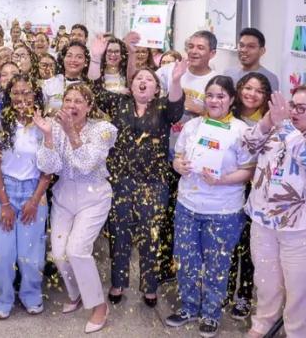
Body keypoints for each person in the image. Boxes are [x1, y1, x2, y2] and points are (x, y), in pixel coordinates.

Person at [242, 84, 306, 338]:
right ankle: (262, 325)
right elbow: (247, 145)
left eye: (301, 108)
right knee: (266, 282)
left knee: (301, 291)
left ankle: (298, 334)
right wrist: (268, 121)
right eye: (292, 106)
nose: (293, 112)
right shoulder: (279, 129)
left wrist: (285, 126)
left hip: (305, 226)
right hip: (264, 220)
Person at [166, 76, 255, 337]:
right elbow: (178, 156)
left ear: (231, 99)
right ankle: (189, 307)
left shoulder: (241, 131)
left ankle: (211, 314)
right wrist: (178, 165)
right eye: (210, 95)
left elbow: (249, 170)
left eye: (221, 96)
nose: (214, 100)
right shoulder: (192, 126)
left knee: (217, 265)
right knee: (186, 261)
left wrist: (222, 180)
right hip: (188, 205)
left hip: (223, 211)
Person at [95, 56, 186, 308]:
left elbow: (177, 108)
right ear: (131, 85)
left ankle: (150, 285)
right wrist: (96, 58)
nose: (143, 82)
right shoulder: (119, 103)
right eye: (138, 79)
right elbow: (95, 92)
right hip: (121, 180)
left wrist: (176, 80)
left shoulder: (163, 108)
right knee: (119, 232)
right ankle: (118, 282)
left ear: (156, 89)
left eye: (149, 79)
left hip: (154, 182)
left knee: (151, 234)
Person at [35, 84, 118, 334]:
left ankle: (99, 306)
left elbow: (86, 164)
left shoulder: (104, 129)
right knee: (60, 253)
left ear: (89, 106)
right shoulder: (55, 127)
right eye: (68, 100)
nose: (72, 105)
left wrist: (71, 132)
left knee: (77, 250)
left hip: (94, 197)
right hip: (64, 195)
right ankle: (76, 293)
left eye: (79, 101)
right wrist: (48, 137)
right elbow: (48, 167)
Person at [0, 74, 51, 319]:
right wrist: (5, 204)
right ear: (8, 95)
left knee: (31, 253)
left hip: (35, 191)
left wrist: (34, 201)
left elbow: (49, 167)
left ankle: (31, 295)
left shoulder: (44, 124)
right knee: (3, 253)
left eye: (27, 92)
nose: (21, 97)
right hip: (3, 189)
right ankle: (3, 299)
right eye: (16, 92)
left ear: (36, 95)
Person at [155, 30, 218, 280]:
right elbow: (143, 85)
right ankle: (165, 267)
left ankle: (190, 269)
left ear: (212, 53)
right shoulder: (170, 71)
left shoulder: (216, 80)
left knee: (188, 216)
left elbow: (224, 115)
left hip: (195, 161)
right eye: (190, 46)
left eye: (200, 47)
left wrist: (198, 109)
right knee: (164, 213)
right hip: (166, 153)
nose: (193, 51)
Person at [224, 72, 271, 321]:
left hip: (256, 191)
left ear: (266, 96)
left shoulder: (269, 121)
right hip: (227, 188)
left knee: (248, 246)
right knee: (229, 243)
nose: (252, 94)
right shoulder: (227, 114)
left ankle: (244, 295)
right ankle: (226, 288)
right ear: (239, 88)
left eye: (259, 91)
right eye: (248, 88)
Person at [42, 41, 89, 115]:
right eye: (69, 56)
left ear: (86, 62)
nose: (73, 60)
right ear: (63, 59)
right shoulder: (50, 83)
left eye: (79, 57)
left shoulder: (90, 85)